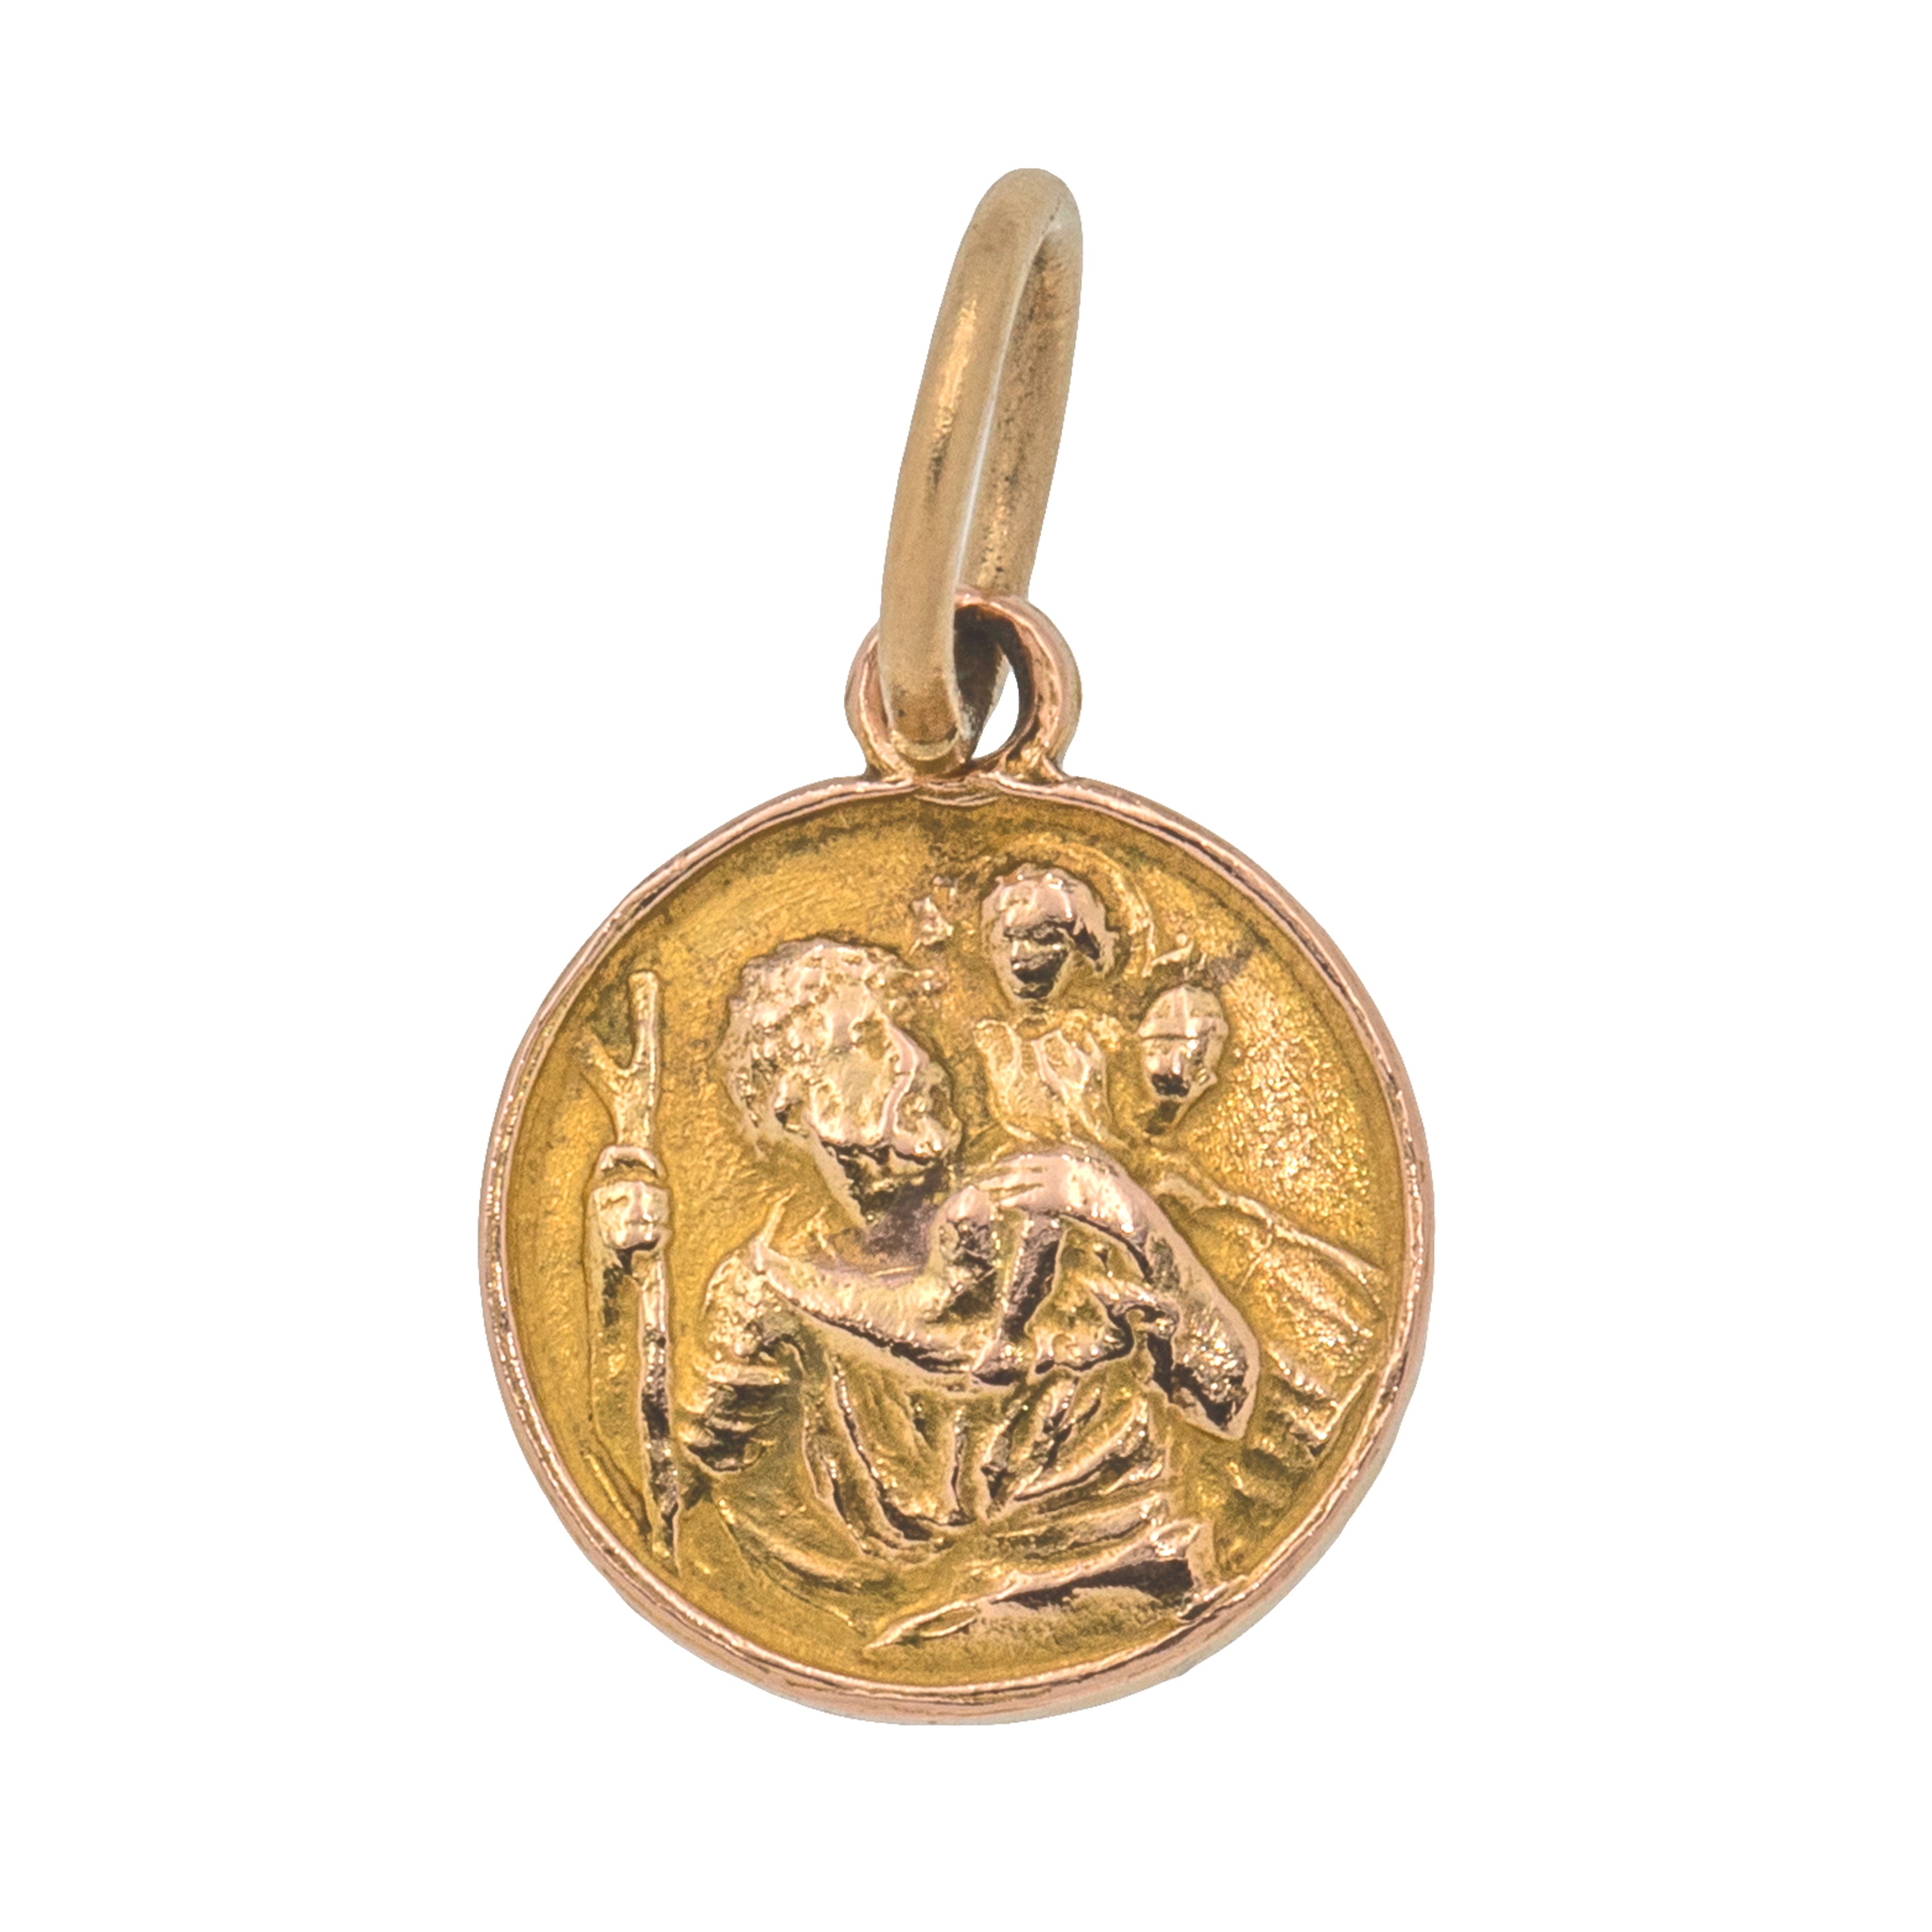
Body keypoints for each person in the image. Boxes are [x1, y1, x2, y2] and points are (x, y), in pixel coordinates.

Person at [671, 937, 1257, 1644]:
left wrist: (1134, 1221)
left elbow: (1226, 1400)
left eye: (904, 1030)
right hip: (889, 1625)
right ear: (796, 1104)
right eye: (866, 1041)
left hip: (1133, 1569)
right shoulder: (757, 1294)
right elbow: (700, 1483)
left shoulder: (1046, 1203)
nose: (914, 1060)